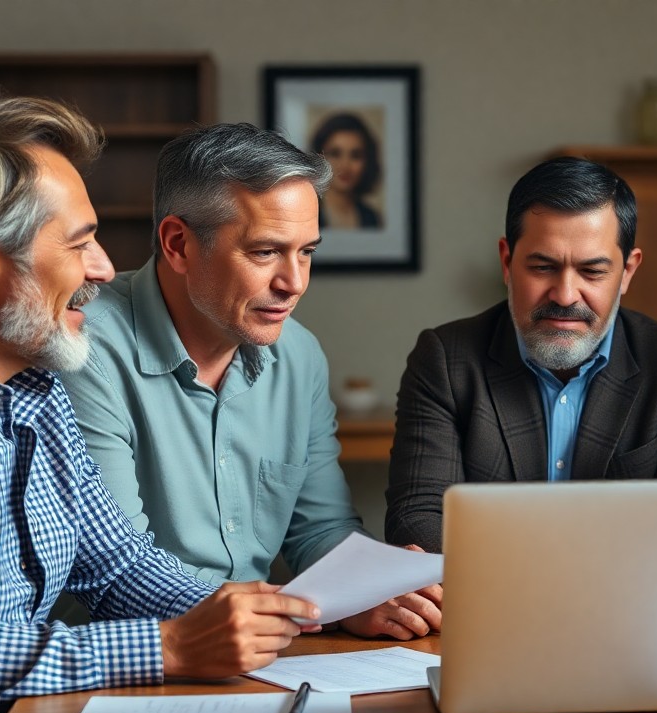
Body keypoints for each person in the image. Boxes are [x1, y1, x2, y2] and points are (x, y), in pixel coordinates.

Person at [0, 94, 321, 713]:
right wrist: (170, 647)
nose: (102, 269)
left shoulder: (35, 384)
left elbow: (115, 564)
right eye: (80, 243)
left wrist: (258, 614)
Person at [60, 123, 439, 640]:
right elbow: (119, 569)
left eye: (306, 252)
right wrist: (304, 606)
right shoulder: (83, 349)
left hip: (264, 660)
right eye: (265, 252)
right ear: (178, 244)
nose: (295, 283)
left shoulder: (299, 353)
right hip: (126, 667)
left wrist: (368, 586)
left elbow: (320, 529)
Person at [384, 156, 657, 552]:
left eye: (592, 272)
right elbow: (417, 518)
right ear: (507, 262)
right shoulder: (445, 360)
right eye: (542, 267)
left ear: (628, 271)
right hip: (493, 606)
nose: (564, 294)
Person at [310, 111, 382, 229]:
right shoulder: (304, 216)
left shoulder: (372, 218)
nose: (345, 166)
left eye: (356, 155)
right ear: (319, 158)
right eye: (335, 154)